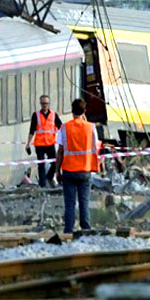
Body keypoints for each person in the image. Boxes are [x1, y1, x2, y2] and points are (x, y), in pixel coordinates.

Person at [55, 98, 100, 234]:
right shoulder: (91, 127)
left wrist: (57, 171)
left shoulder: (65, 127)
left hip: (69, 170)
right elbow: (96, 146)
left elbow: (60, 151)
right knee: (84, 202)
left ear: (72, 110)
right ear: (84, 111)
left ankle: (68, 230)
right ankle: (85, 229)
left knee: (70, 203)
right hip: (85, 170)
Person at [26, 95, 63, 188]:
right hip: (39, 144)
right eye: (42, 103)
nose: (44, 105)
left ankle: (49, 177)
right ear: (40, 104)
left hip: (50, 143)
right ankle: (42, 185)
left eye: (46, 103)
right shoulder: (36, 115)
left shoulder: (54, 115)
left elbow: (61, 128)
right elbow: (32, 130)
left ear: (49, 104)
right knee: (41, 165)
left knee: (55, 162)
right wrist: (28, 144)